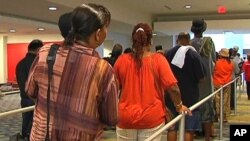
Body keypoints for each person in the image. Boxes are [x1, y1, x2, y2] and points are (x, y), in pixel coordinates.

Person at [26, 4, 118, 141]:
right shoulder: (102, 69)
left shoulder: (46, 53)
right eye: (106, 27)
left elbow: (30, 90)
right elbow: (111, 118)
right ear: (98, 34)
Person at [114, 23, 191, 141]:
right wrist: (179, 106)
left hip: (125, 118)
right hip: (151, 117)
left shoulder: (122, 60)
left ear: (133, 39)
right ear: (151, 40)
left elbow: (113, 89)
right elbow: (173, 88)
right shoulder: (158, 60)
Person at [165, 32, 206, 141]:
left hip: (171, 96)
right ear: (189, 40)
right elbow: (202, 77)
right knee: (189, 129)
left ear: (177, 40)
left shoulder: (168, 53)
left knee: (171, 128)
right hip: (190, 97)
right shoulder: (194, 54)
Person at [190, 18, 216, 141]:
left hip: (193, 81)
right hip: (206, 81)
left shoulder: (189, 44)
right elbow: (214, 61)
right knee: (207, 107)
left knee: (194, 107)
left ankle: (193, 133)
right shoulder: (209, 42)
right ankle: (207, 136)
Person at [16, 39, 43, 140]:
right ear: (38, 49)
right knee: (36, 125)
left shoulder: (20, 64)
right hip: (36, 99)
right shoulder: (38, 63)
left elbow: (21, 83)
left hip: (24, 98)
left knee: (26, 122)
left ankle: (25, 137)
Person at [213, 48, 234, 122]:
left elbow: (213, 72)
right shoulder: (231, 63)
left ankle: (218, 115)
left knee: (218, 100)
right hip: (227, 84)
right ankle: (225, 117)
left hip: (217, 83)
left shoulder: (216, 63)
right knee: (226, 100)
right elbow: (231, 72)